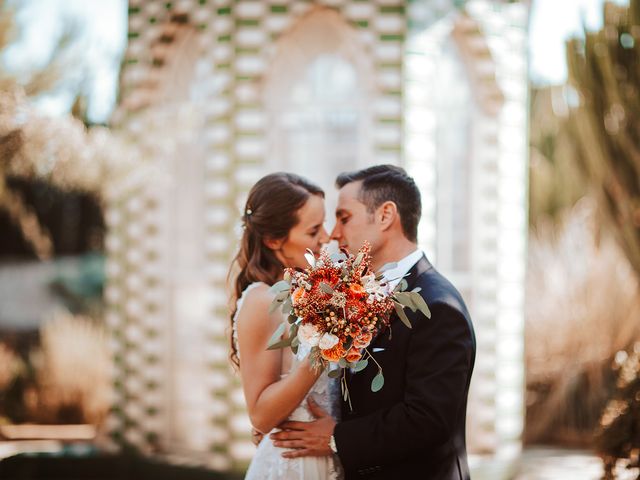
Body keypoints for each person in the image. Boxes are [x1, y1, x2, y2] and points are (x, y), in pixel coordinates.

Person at [270, 165, 477, 479]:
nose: (334, 234)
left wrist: (337, 438)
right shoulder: (353, 295)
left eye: (344, 217)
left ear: (385, 216)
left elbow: (428, 419)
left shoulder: (438, 306)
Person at [229, 172, 343, 479]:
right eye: (313, 230)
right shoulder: (262, 300)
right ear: (273, 239)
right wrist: (326, 348)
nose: (327, 237)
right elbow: (261, 415)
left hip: (327, 456)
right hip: (293, 464)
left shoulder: (314, 293)